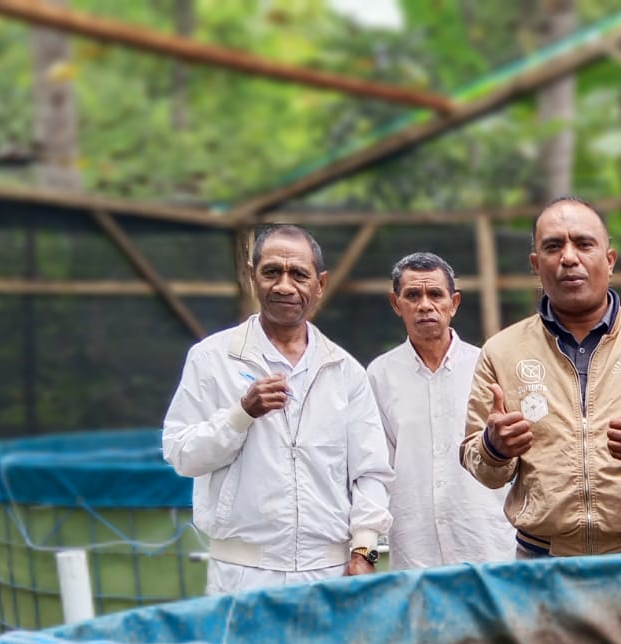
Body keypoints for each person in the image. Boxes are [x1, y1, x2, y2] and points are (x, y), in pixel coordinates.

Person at [459, 196, 621, 557]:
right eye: (553, 246)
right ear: (536, 265)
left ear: (610, 260)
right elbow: (479, 464)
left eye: (584, 244)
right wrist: (494, 448)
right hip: (541, 562)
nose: (569, 257)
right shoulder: (501, 352)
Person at [163, 223, 393, 595]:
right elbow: (181, 455)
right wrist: (241, 415)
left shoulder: (345, 370)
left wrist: (364, 551)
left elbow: (371, 472)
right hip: (242, 572)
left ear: (320, 284)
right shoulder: (210, 358)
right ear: (252, 277)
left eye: (298, 274)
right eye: (272, 272)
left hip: (330, 572)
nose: (284, 286)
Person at [366, 251, 515, 569]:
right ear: (396, 304)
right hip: (415, 549)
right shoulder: (378, 375)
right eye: (412, 295)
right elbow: (375, 467)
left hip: (487, 542)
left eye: (435, 294)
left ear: (454, 303)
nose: (425, 305)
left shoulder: (488, 368)